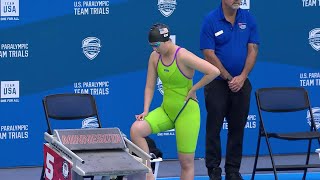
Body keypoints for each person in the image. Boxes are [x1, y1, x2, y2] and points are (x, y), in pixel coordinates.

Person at [130, 23, 220, 180]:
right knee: (136, 129)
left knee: (186, 163)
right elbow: (150, 86)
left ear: (166, 40)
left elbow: (213, 71)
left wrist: (194, 89)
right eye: (151, 46)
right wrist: (146, 110)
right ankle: (149, 175)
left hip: (186, 112)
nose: (154, 49)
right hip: (166, 110)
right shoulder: (154, 57)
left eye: (156, 45)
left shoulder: (183, 55)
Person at [199, 0, 260, 180]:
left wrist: (242, 77)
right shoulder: (210, 20)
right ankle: (214, 170)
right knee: (214, 128)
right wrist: (227, 77)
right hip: (217, 82)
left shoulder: (249, 19)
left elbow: (253, 49)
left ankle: (233, 170)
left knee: (237, 129)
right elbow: (208, 53)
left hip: (241, 83)